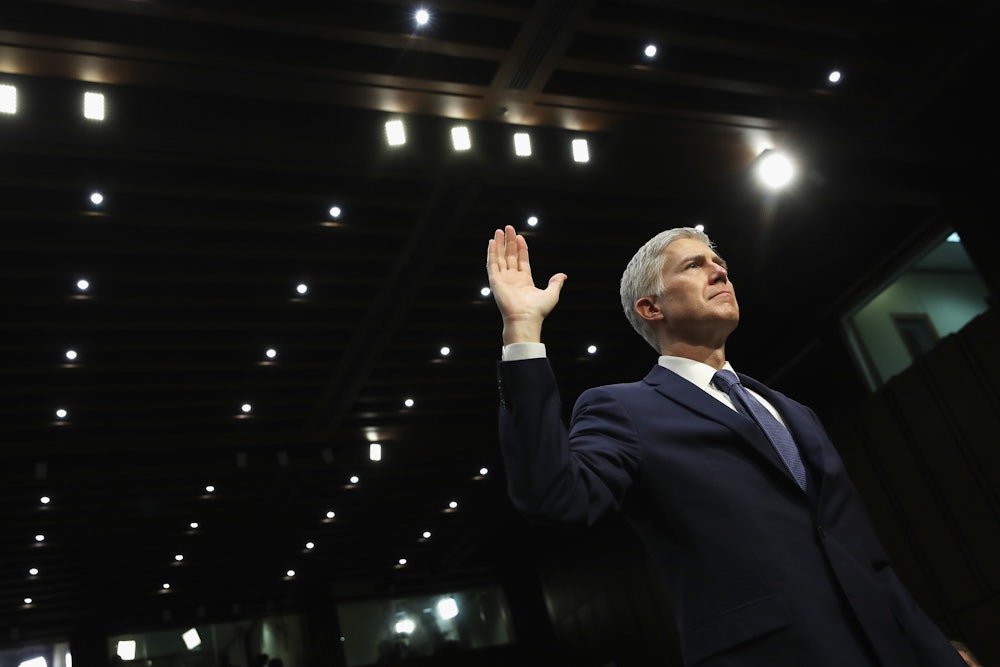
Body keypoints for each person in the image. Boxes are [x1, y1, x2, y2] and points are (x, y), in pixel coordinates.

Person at [486, 224, 967, 667]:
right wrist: (523, 329)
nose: (718, 271)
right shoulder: (623, 409)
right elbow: (552, 497)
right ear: (651, 308)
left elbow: (869, 561)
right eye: (693, 265)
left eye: (720, 265)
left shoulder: (796, 412)